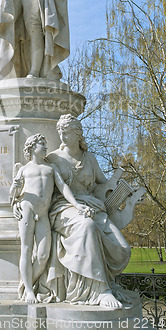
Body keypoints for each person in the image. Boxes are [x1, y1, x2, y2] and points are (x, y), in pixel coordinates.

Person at [36, 115, 131, 308]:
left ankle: (108, 284)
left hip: (92, 206)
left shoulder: (90, 158)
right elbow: (40, 184)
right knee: (86, 227)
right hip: (63, 207)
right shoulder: (53, 158)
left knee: (123, 249)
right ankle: (100, 291)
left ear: (78, 133)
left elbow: (104, 185)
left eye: (66, 131)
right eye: (60, 131)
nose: (62, 135)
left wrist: (126, 194)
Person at [10, 133, 93, 304]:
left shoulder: (51, 168)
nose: (46, 147)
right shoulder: (24, 169)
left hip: (43, 214)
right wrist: (15, 191)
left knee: (42, 255)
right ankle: (29, 291)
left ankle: (26, 286)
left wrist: (77, 205)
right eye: (42, 143)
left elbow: (63, 188)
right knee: (26, 249)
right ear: (32, 147)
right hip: (27, 210)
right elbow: (13, 194)